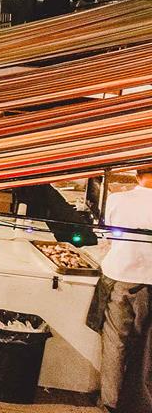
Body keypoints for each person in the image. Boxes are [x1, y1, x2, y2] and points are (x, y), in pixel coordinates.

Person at [97, 167, 152, 413]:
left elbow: (108, 237)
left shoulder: (117, 200)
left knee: (115, 342)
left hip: (120, 276)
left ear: (137, 174)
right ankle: (141, 403)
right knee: (147, 348)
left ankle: (112, 402)